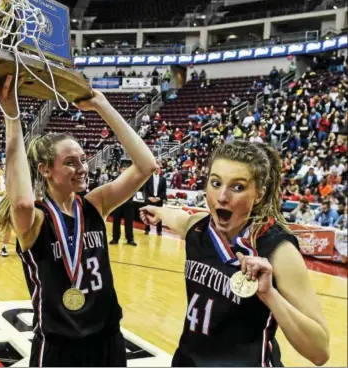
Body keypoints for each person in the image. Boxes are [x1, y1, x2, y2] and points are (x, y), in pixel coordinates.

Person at [0, 89, 157, 366]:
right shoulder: (36, 218)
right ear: (45, 170)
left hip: (107, 336)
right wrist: (12, 116)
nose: (82, 168)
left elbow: (146, 165)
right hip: (59, 342)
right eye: (70, 162)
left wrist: (103, 106)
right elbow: (20, 202)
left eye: (82, 159)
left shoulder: (95, 203)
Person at [140, 141, 329, 366]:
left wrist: (269, 295)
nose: (222, 196)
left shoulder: (279, 250)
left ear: (259, 194)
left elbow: (319, 352)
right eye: (216, 183)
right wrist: (158, 211)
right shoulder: (198, 227)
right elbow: (178, 217)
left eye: (237, 187)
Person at [110, 162, 137, 246]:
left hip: (128, 203)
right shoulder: (115, 178)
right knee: (116, 221)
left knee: (129, 222)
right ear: (120, 170)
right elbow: (112, 190)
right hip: (117, 203)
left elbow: (134, 190)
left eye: (126, 169)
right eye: (123, 169)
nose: (124, 171)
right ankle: (115, 238)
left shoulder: (132, 180)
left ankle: (130, 239)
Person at [142, 163, 167, 235]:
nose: (157, 170)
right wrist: (149, 197)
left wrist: (159, 198)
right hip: (149, 199)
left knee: (159, 215)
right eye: (156, 168)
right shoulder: (148, 178)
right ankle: (147, 229)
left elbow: (164, 191)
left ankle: (159, 230)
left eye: (158, 168)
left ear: (160, 170)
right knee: (147, 214)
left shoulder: (163, 179)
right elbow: (145, 190)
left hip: (158, 200)